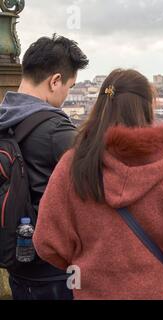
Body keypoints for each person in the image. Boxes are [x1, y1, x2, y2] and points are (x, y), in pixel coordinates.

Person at [33, 69, 163, 300]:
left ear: (101, 105)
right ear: (147, 108)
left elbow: (46, 243)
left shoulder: (73, 164)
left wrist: (87, 262)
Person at [0, 34, 88, 300]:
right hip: (53, 270)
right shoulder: (56, 130)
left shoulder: (4, 120)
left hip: (17, 261)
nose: (66, 95)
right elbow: (100, 179)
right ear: (55, 81)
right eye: (69, 87)